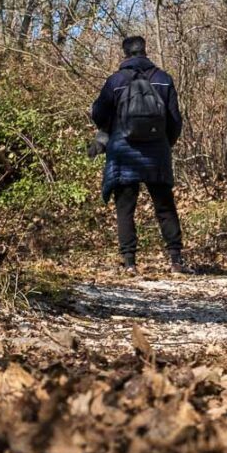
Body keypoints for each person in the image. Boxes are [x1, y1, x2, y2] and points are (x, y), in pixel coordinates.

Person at [91, 35, 186, 274]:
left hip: (123, 153)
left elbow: (98, 113)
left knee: (125, 208)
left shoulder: (115, 81)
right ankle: (176, 260)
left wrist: (112, 131)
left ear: (124, 54)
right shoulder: (163, 79)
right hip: (157, 152)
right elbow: (175, 119)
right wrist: (165, 142)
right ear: (145, 51)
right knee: (164, 206)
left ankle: (130, 262)